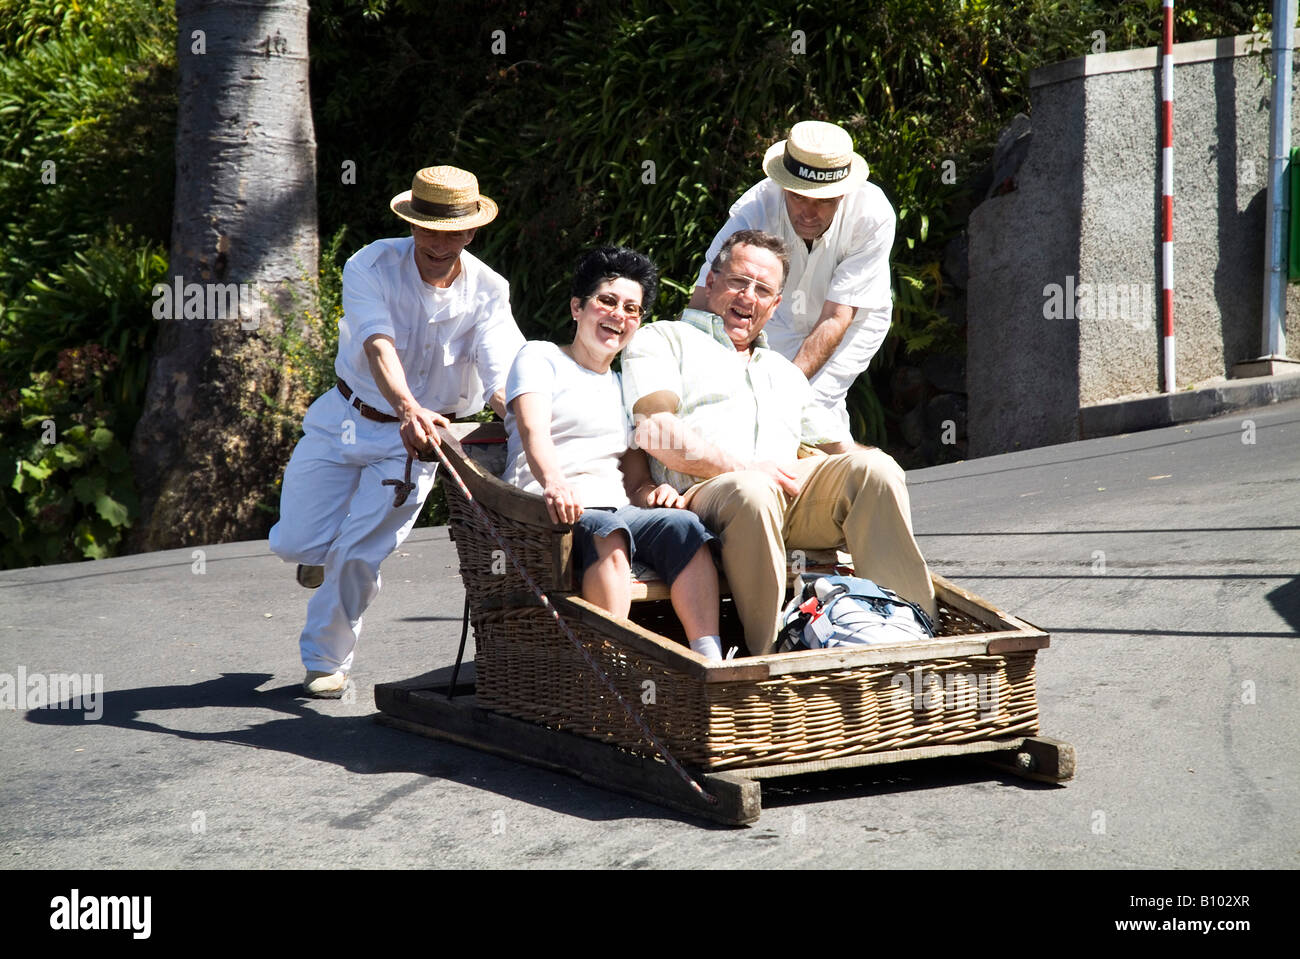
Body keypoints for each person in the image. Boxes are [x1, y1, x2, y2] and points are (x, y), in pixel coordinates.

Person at [269, 165, 525, 697]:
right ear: (411, 223)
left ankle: (325, 661)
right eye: (429, 226)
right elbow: (377, 344)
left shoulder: (489, 290)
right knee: (296, 541)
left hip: (418, 443)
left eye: (452, 230)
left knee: (359, 552)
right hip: (345, 417)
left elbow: (501, 377)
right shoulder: (370, 264)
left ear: (472, 231)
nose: (439, 240)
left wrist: (528, 420)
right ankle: (317, 557)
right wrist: (409, 407)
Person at [624, 229, 936, 657]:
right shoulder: (664, 340)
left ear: (775, 305)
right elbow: (654, 430)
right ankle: (773, 660)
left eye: (763, 290)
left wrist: (880, 468)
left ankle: (911, 634)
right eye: (738, 281)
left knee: (875, 470)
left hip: (785, 497)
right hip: (705, 501)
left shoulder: (783, 373)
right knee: (753, 489)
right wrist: (744, 468)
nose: (748, 296)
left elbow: (840, 451)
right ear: (711, 281)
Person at [502, 247, 724, 660]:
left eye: (631, 309)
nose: (618, 314)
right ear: (577, 308)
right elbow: (533, 429)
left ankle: (707, 661)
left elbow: (633, 474)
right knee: (610, 532)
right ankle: (607, 667)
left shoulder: (624, 384)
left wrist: (649, 492)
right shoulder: (539, 357)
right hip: (544, 509)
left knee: (685, 529)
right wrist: (555, 482)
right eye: (607, 301)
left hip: (614, 509)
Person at [687, 120, 895, 443]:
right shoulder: (753, 211)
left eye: (823, 201)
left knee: (813, 408)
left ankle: (844, 482)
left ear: (843, 193)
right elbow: (706, 296)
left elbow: (836, 317)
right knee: (762, 407)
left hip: (855, 318)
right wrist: (680, 371)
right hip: (780, 317)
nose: (809, 213)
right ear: (784, 186)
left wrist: (781, 397)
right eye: (799, 198)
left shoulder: (873, 215)